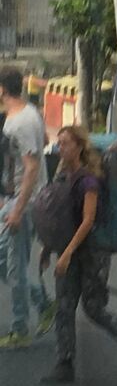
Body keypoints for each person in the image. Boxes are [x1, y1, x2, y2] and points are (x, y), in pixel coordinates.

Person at [40, 126, 117, 384]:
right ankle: (65, 363)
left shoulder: (89, 180)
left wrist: (67, 254)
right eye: (59, 143)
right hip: (68, 248)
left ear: (79, 147)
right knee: (64, 306)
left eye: (65, 143)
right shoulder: (64, 175)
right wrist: (49, 248)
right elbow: (59, 216)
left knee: (94, 308)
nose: (60, 148)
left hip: (92, 250)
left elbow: (87, 221)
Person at [0, 67, 56, 349]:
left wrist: (18, 210)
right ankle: (43, 303)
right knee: (7, 263)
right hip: (19, 199)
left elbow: (32, 166)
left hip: (25, 203)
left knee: (15, 269)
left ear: (2, 90)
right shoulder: (29, 113)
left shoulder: (18, 122)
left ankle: (20, 328)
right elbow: (44, 141)